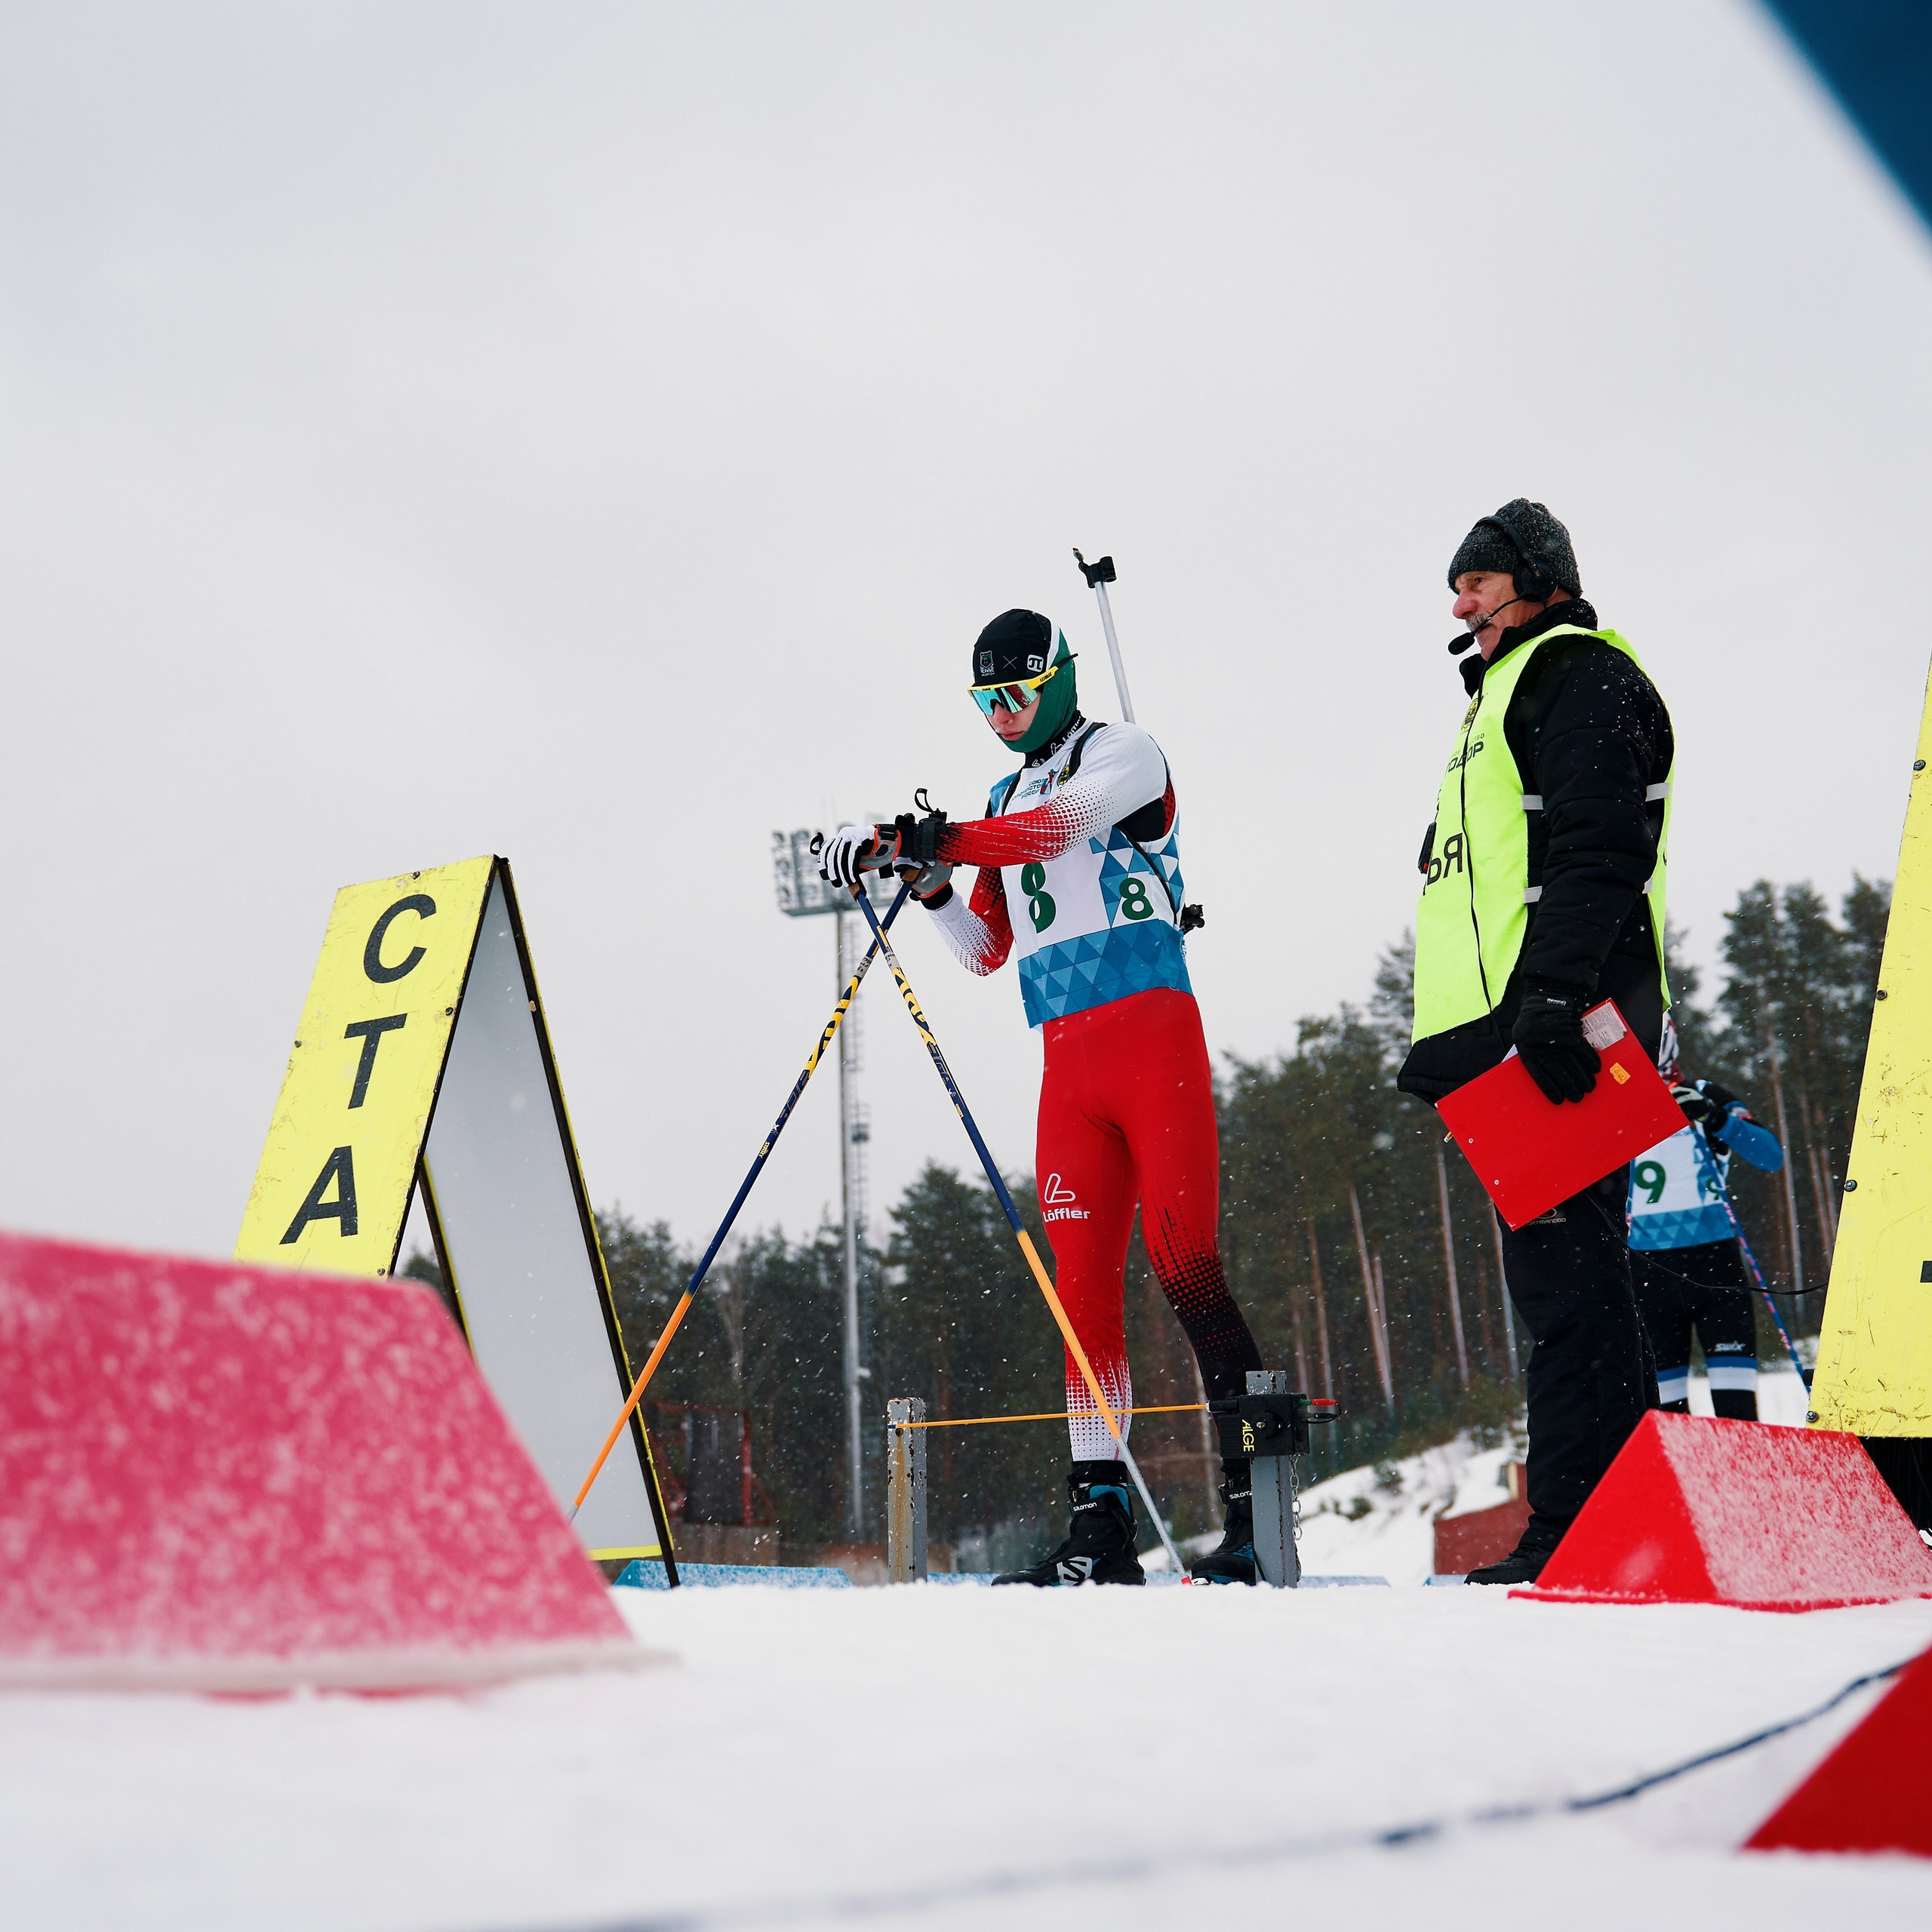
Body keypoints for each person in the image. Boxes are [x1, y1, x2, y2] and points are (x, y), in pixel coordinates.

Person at [818, 608, 1265, 1585]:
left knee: (1186, 1264)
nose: (1004, 716)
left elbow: (1051, 832)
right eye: (986, 702)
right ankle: (1101, 1530)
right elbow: (985, 953)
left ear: (1060, 675)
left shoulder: (1127, 753)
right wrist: (925, 879)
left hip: (1153, 1041)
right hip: (1068, 1070)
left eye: (1018, 693)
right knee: (1082, 1297)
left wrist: (925, 836)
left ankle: (1257, 1516)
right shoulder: (997, 795)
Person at [1398, 499, 1675, 1586]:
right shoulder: (1500, 695)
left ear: (1538, 579)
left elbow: (1604, 849)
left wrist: (1555, 997)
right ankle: (1588, 1517)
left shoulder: (1580, 674)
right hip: (1511, 1030)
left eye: (1477, 580)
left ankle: (1593, 1524)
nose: (1460, 603)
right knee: (1564, 1275)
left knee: (1574, 1279)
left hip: (1560, 1019)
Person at [1629, 1039, 1786, 1420]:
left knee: (1737, 1414)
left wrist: (1717, 1119)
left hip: (1717, 1269)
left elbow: (1771, 1157)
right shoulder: (1614, 1105)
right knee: (1665, 1418)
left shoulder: (1701, 1093)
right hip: (1649, 1275)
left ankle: (1744, 1481)